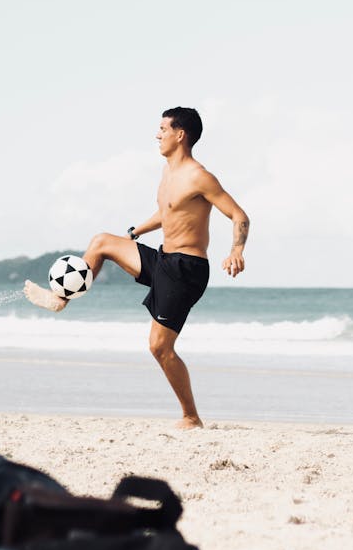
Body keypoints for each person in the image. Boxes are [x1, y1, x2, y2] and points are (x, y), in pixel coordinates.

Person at [24, 106, 250, 429]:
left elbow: (240, 215)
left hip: (187, 269)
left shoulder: (199, 176)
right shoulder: (167, 173)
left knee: (159, 347)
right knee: (101, 241)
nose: (157, 135)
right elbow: (169, 212)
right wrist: (136, 232)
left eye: (163, 129)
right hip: (163, 258)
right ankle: (62, 299)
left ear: (180, 134)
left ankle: (191, 416)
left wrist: (236, 251)